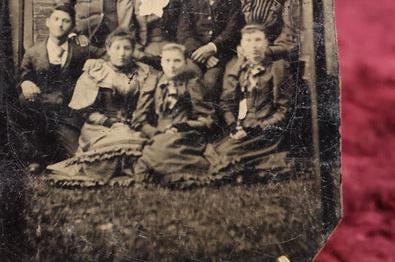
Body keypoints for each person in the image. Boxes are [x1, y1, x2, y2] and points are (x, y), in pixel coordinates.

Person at [46, 29, 150, 186]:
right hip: (99, 127)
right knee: (121, 142)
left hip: (132, 124)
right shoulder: (96, 71)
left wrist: (134, 121)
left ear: (133, 51)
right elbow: (86, 111)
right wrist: (111, 123)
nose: (122, 53)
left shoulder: (141, 72)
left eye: (126, 48)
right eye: (117, 48)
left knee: (142, 144)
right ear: (108, 49)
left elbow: (146, 104)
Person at [207, 25, 294, 179]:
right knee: (214, 150)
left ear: (266, 43)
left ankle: (246, 170)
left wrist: (259, 128)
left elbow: (283, 110)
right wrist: (234, 127)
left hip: (267, 132)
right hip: (243, 129)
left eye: (258, 40)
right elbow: (226, 103)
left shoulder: (277, 68)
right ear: (241, 46)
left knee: (226, 154)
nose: (253, 46)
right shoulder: (238, 69)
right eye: (248, 41)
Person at [17, 4, 92, 173]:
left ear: (72, 27)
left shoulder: (79, 51)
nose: (60, 24)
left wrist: (95, 64)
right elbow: (24, 74)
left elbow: (106, 53)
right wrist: (25, 82)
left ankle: (55, 153)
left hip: (66, 114)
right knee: (24, 99)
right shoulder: (33, 52)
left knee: (77, 157)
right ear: (48, 22)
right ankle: (35, 158)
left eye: (66, 21)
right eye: (56, 19)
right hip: (41, 111)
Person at [132, 43, 212, 185]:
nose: (172, 66)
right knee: (159, 147)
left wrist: (184, 125)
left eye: (177, 61)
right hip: (159, 133)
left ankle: (170, 174)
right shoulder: (153, 82)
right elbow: (139, 119)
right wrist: (155, 134)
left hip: (186, 133)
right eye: (167, 61)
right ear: (161, 62)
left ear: (185, 62)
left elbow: (206, 119)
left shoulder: (192, 83)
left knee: (161, 151)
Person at [177, 0, 242, 99]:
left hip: (219, 55)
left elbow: (232, 30)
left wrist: (212, 47)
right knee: (187, 79)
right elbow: (183, 32)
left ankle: (209, 120)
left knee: (211, 82)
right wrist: (200, 53)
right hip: (195, 54)